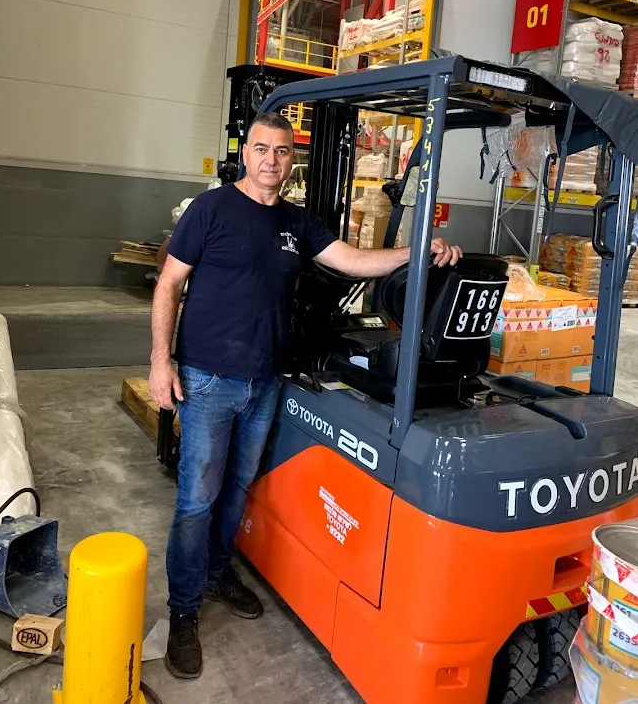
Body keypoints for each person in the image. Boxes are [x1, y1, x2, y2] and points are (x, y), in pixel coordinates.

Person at [149, 112, 462, 681]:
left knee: (237, 488)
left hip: (265, 380)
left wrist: (414, 251)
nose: (270, 160)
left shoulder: (298, 222)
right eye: (261, 149)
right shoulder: (210, 209)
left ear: (291, 160)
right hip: (208, 379)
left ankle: (216, 574)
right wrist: (159, 361)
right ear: (246, 153)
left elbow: (351, 260)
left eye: (281, 151)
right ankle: (184, 610)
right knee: (196, 501)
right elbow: (169, 284)